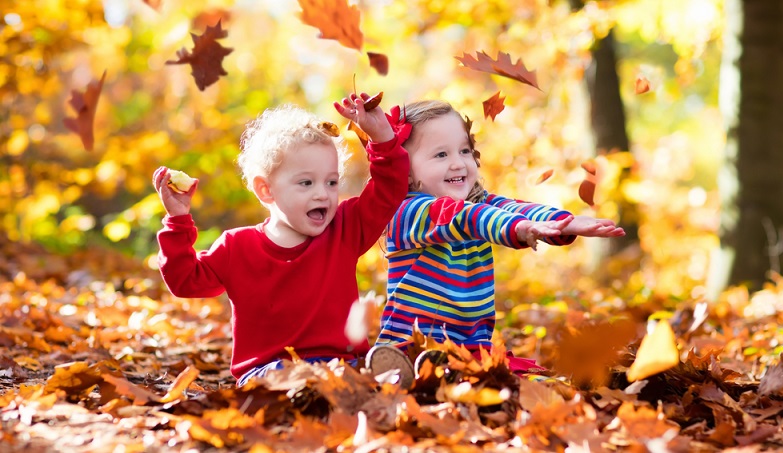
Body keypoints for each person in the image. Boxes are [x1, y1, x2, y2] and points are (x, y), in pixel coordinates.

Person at [153, 93, 415, 387]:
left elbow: (388, 189)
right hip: (270, 371)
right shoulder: (236, 247)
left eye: (331, 182)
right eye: (306, 182)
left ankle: (367, 388)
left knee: (359, 370)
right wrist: (177, 220)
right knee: (283, 376)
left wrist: (381, 138)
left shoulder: (345, 228)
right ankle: (332, 392)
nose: (322, 194)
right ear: (266, 190)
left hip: (340, 363)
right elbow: (185, 280)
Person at [375, 100, 625, 375]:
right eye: (441, 155)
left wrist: (562, 223)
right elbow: (465, 218)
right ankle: (402, 373)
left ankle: (447, 372)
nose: (458, 163)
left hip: (471, 348)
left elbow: (513, 208)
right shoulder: (406, 212)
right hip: (410, 344)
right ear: (406, 171)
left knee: (535, 385)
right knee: (441, 377)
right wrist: (517, 228)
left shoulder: (478, 202)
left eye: (464, 151)